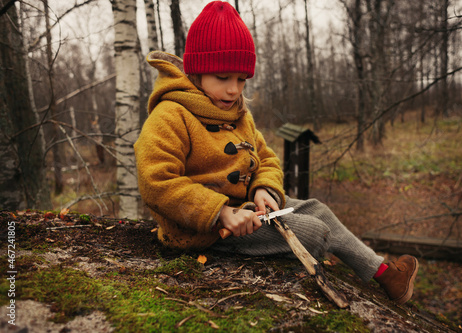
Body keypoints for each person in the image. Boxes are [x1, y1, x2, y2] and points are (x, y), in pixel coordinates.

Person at [134, 1, 418, 305]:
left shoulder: (238, 114)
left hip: (247, 208)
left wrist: (264, 188)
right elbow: (156, 181)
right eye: (223, 77)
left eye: (241, 79)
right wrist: (221, 213)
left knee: (318, 209)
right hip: (202, 230)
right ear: (197, 72)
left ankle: (386, 274)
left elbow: (265, 158)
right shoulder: (170, 115)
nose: (234, 90)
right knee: (315, 233)